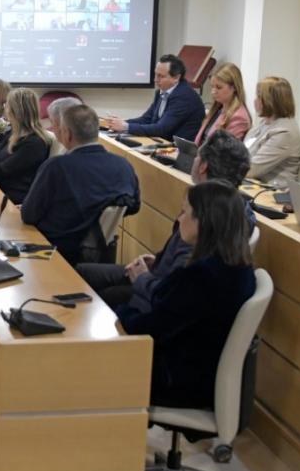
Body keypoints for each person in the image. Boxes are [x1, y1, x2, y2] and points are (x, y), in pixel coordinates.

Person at [78, 131, 255, 311]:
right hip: (158, 275)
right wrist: (159, 260)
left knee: (95, 298)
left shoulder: (210, 215)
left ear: (203, 166)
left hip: (158, 291)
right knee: (81, 273)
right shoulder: (230, 209)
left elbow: (176, 286)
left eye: (196, 156)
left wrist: (144, 278)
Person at [117, 181, 257, 409]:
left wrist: (119, 312)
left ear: (204, 222)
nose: (179, 218)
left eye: (185, 212)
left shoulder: (203, 275)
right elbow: (173, 304)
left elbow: (150, 326)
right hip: (199, 374)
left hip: (177, 381)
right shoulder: (238, 268)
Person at [21, 103, 140, 264]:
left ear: (67, 134)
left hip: (53, 251)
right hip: (100, 255)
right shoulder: (124, 165)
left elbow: (28, 215)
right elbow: (134, 207)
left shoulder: (56, 167)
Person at [105, 55, 204, 141]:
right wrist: (121, 122)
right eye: (155, 74)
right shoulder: (161, 91)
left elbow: (162, 129)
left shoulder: (184, 96)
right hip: (163, 143)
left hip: (178, 151)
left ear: (176, 78)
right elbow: (146, 119)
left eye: (161, 76)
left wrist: (125, 127)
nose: (155, 80)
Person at [246, 76, 300, 188]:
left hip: (268, 192)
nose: (255, 100)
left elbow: (252, 170)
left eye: (259, 96)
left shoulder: (284, 133)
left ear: (271, 101)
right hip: (252, 184)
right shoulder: (266, 122)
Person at [194, 63, 251, 145]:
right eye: (212, 87)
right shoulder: (218, 108)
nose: (213, 91)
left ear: (234, 87)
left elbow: (225, 152)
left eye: (219, 87)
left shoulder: (239, 117)